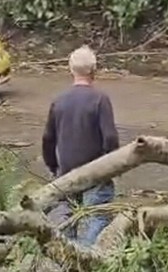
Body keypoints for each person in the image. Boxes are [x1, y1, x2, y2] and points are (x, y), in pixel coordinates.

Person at [42, 46, 120, 246]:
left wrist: (53, 167)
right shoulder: (100, 100)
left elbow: (48, 138)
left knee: (66, 217)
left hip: (67, 170)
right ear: (94, 70)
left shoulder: (59, 101)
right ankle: (88, 254)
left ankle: (71, 255)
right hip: (96, 170)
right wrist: (114, 163)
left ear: (71, 69)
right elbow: (110, 137)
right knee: (98, 216)